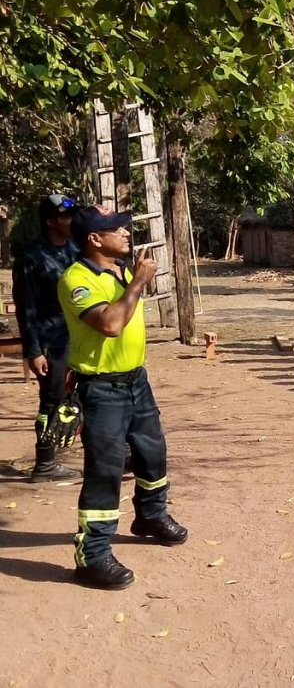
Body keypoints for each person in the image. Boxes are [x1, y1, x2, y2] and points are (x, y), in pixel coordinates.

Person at [57, 206, 187, 590]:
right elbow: (111, 324)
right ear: (94, 239)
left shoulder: (123, 271)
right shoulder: (76, 279)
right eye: (117, 229)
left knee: (152, 454)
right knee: (105, 469)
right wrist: (138, 284)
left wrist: (134, 279)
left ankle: (150, 516)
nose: (127, 233)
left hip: (136, 382)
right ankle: (92, 555)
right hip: (101, 390)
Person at [11, 194, 82, 482]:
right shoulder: (31, 257)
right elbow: (25, 306)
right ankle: (45, 462)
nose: (72, 221)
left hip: (77, 338)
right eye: (66, 217)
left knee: (85, 395)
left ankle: (116, 453)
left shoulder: (75, 249)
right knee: (52, 400)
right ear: (50, 221)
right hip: (51, 342)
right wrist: (33, 350)